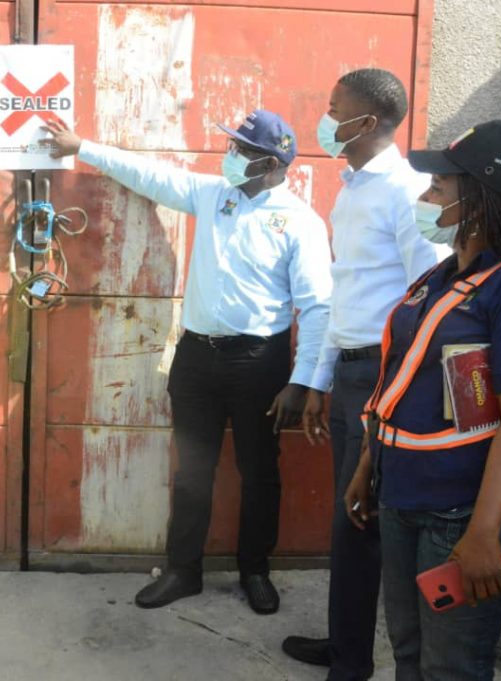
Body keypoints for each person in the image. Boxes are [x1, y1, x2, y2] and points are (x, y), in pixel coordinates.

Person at [44, 110, 332, 615]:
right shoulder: (214, 194)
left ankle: (255, 570)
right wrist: (82, 147)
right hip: (197, 356)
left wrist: (303, 381)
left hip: (259, 362)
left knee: (259, 471)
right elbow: (153, 177)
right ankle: (183, 570)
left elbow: (318, 308)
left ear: (270, 163)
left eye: (242, 150)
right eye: (233, 146)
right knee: (192, 470)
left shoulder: (299, 222)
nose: (231, 155)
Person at [343, 119, 501, 680]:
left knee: (451, 667)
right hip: (405, 494)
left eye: (438, 187)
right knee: (408, 651)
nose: (425, 198)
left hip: (465, 513)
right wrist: (369, 466)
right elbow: (404, 380)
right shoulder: (441, 278)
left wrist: (485, 534)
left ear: (480, 198)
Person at [282, 69, 451, 679]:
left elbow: (431, 300)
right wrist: (318, 380)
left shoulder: (406, 193)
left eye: (335, 109)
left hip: (386, 377)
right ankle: (346, 646)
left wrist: (392, 392)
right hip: (351, 372)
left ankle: (351, 665)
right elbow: (343, 295)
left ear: (368, 121)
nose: (325, 120)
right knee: (349, 520)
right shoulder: (352, 190)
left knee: (361, 520)